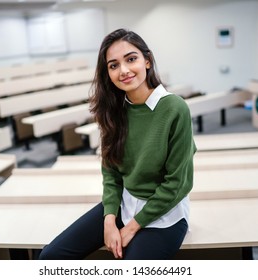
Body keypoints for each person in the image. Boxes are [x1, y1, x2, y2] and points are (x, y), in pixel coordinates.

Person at [39, 28, 196, 260]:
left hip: (164, 214)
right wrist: (109, 220)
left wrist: (132, 227)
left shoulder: (174, 108)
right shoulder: (113, 111)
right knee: (50, 257)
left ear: (148, 61)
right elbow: (111, 174)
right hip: (124, 205)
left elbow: (177, 184)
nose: (123, 70)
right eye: (113, 65)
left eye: (131, 59)